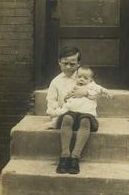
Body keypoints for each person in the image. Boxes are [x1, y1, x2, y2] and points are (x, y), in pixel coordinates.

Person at [46, 46, 112, 174]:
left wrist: (85, 93)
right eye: (65, 63)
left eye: (72, 64)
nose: (68, 67)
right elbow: (51, 101)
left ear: (78, 63)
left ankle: (75, 157)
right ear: (59, 62)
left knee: (85, 121)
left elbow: (97, 92)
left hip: (85, 115)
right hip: (67, 114)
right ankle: (64, 156)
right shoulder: (56, 82)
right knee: (67, 117)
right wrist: (55, 109)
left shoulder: (84, 75)